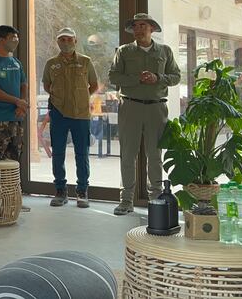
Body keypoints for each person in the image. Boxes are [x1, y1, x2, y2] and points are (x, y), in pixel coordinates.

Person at [109, 13, 180, 215]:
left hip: (156, 108)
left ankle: (156, 199)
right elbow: (113, 76)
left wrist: (157, 77)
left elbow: (176, 77)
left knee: (155, 155)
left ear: (152, 29)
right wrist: (136, 79)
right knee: (128, 154)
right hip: (130, 106)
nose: (139, 29)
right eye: (135, 26)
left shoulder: (164, 51)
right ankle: (126, 200)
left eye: (143, 25)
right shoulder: (124, 51)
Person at [42, 28, 98, 208]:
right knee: (58, 152)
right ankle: (60, 191)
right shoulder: (51, 63)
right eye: (62, 40)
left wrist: (81, 98)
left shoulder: (85, 61)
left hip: (81, 114)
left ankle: (82, 191)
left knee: (82, 154)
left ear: (75, 40)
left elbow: (94, 85)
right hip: (58, 113)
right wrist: (60, 98)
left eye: (68, 39)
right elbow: (47, 85)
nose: (65, 42)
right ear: (58, 42)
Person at [0, 26, 28, 163]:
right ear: (1, 40)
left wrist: (22, 104)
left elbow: (23, 85)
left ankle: (10, 186)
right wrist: (16, 101)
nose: (16, 40)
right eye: (12, 38)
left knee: (13, 161)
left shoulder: (16, 63)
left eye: (17, 37)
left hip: (16, 119)